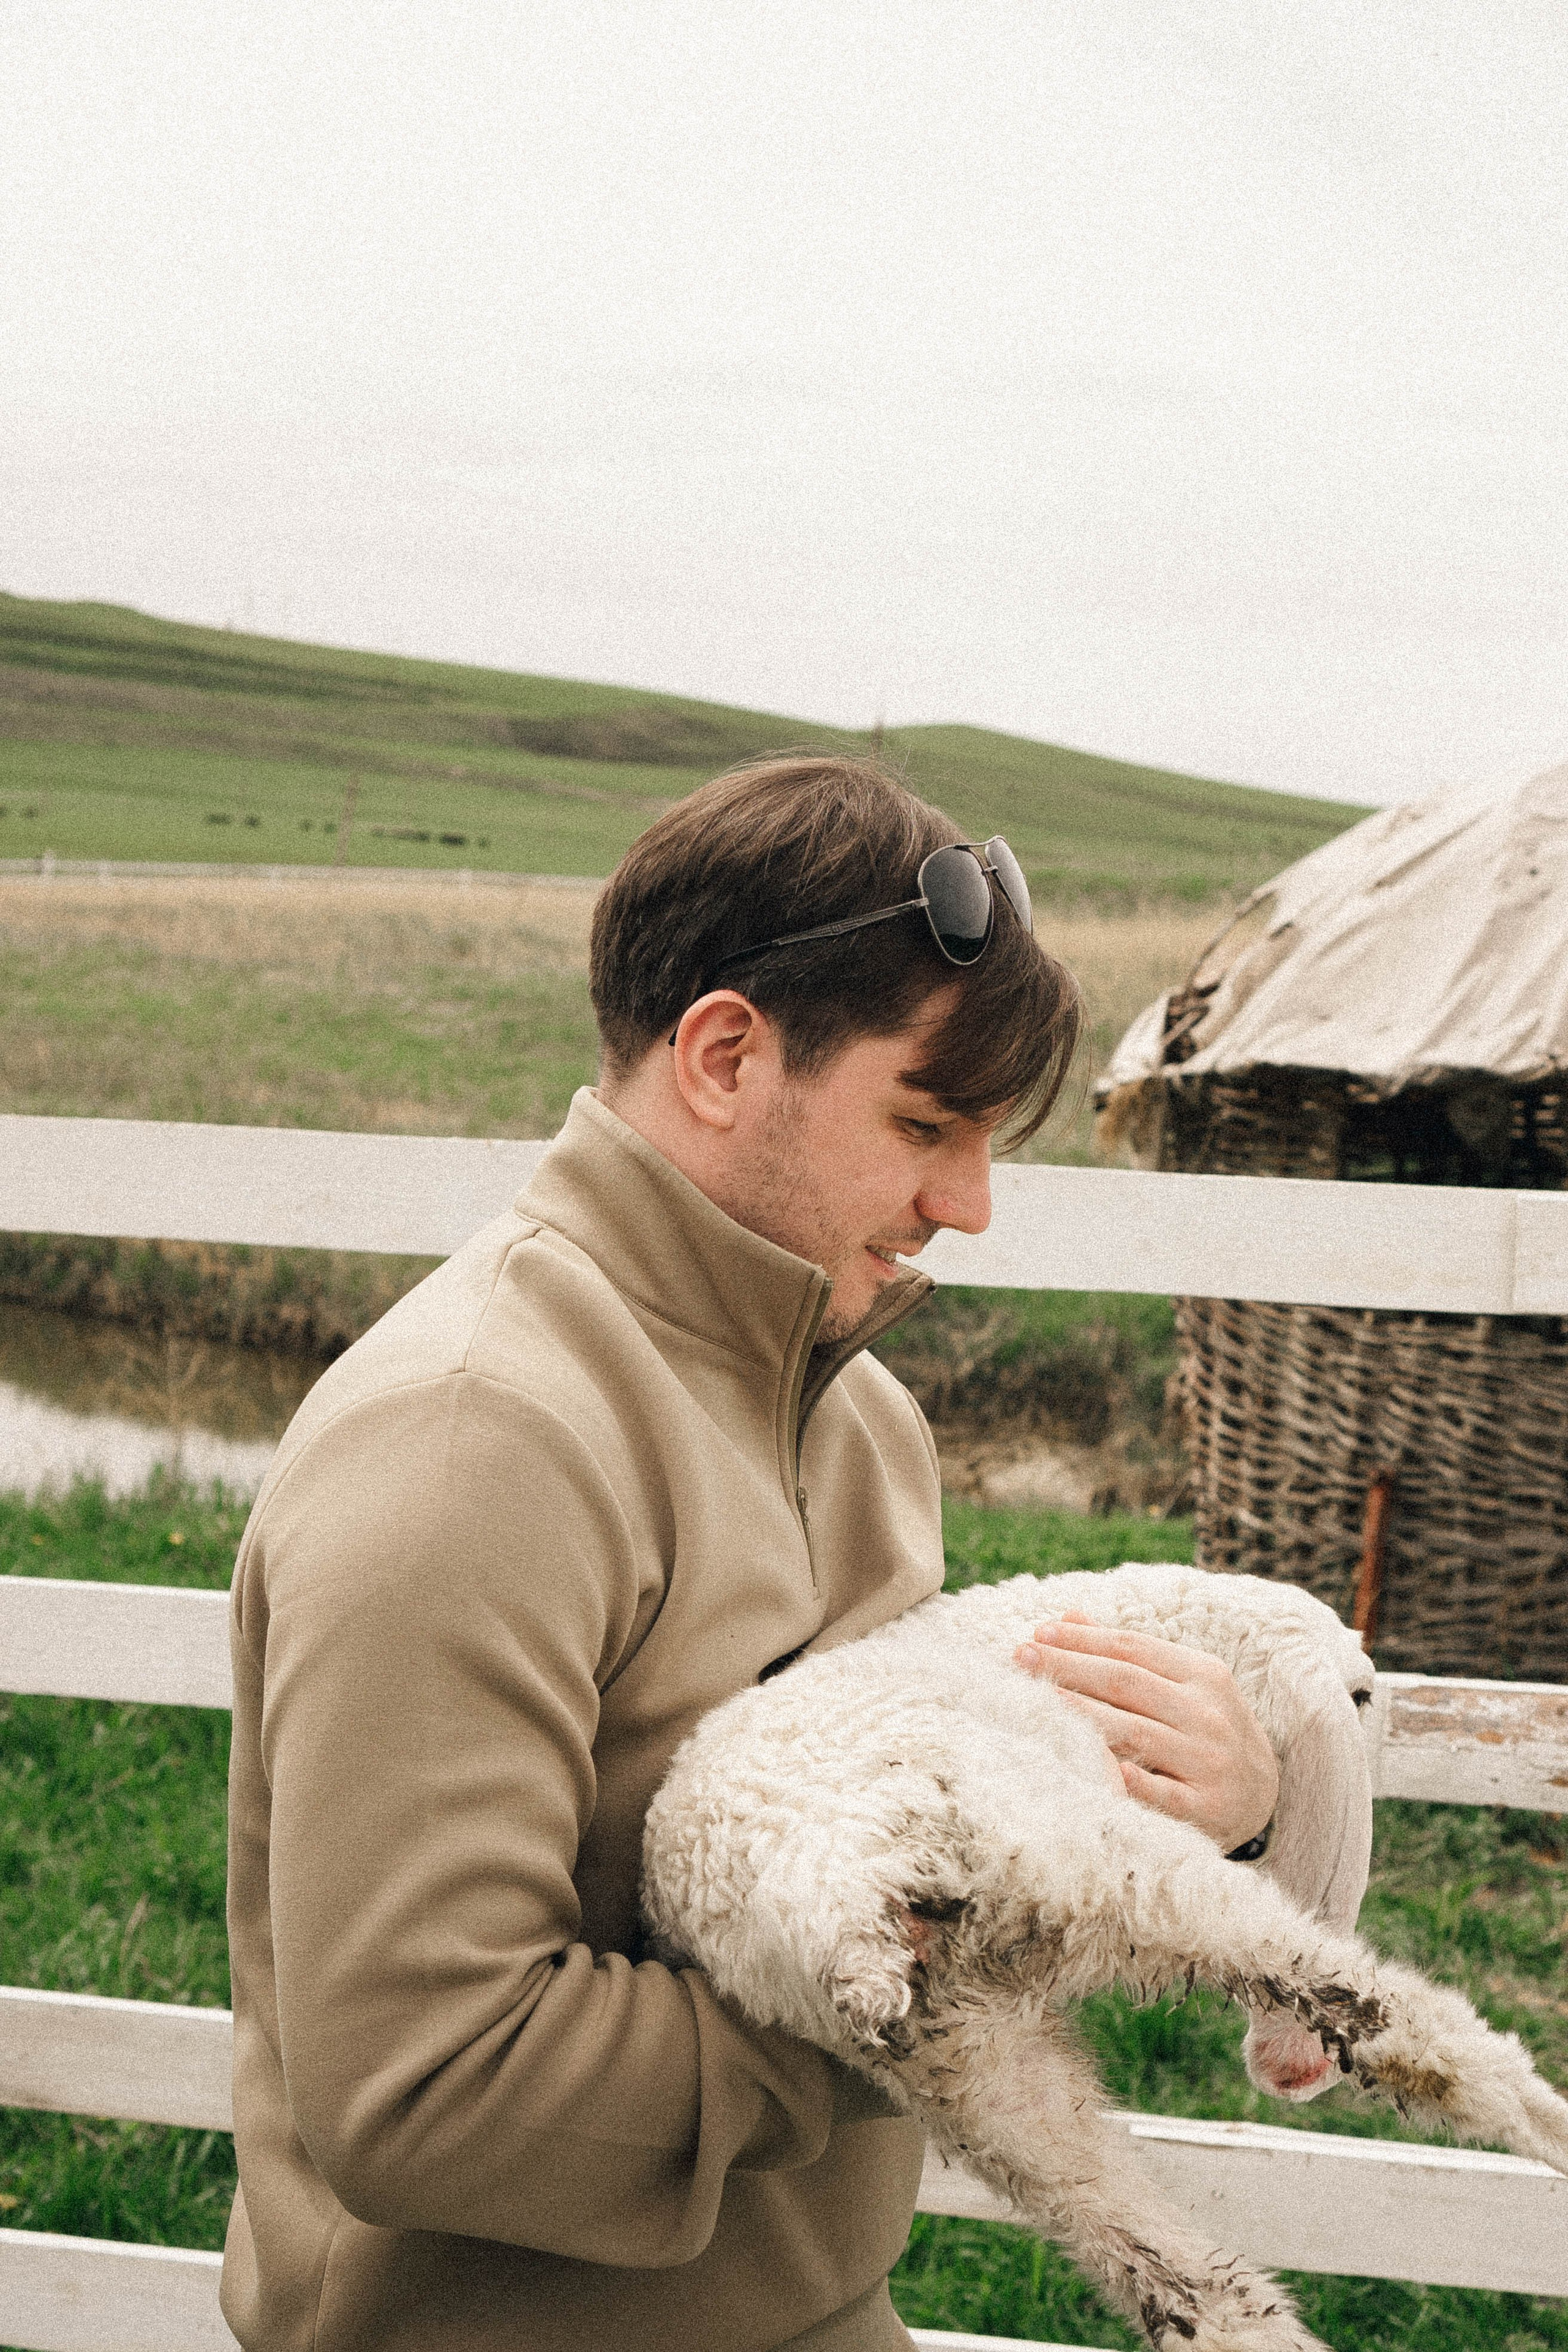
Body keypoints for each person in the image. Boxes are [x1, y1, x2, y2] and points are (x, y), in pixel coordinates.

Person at [222, 756, 1278, 2352]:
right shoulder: (471, 1443)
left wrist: (1217, 1821)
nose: (970, 1205)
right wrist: (918, 2003)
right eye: (925, 1121)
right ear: (724, 1056)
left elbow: (907, 1854)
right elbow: (425, 2087)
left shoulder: (862, 1430)